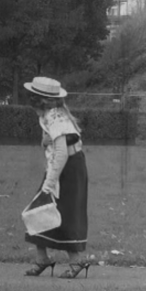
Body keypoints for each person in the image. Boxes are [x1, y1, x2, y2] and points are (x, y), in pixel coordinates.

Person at [22, 76, 91, 279]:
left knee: (63, 212)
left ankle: (76, 260)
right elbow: (54, 144)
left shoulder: (55, 117)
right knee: (41, 210)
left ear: (38, 100)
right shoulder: (49, 115)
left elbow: (61, 152)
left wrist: (50, 182)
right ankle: (42, 257)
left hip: (67, 169)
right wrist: (46, 141)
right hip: (63, 167)